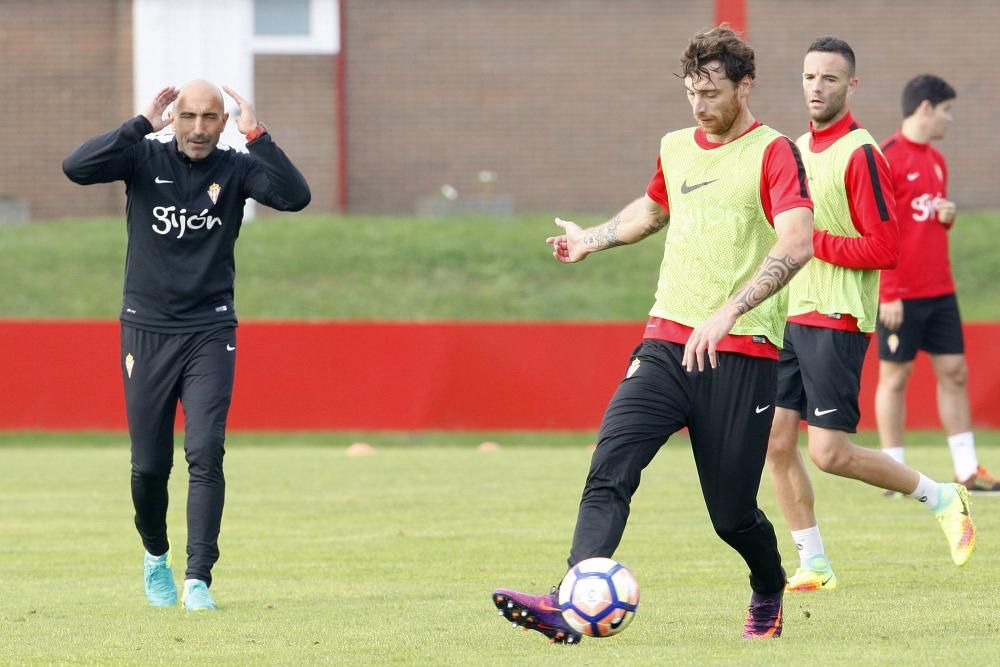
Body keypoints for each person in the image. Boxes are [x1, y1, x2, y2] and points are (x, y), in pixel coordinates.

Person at [492, 26, 815, 642]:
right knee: (609, 466)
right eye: (693, 92)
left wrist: (728, 312)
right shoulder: (675, 146)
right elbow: (653, 210)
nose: (700, 105)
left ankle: (769, 586)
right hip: (665, 345)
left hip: (741, 353)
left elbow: (797, 241)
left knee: (731, 517)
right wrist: (591, 239)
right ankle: (569, 599)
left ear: (745, 86)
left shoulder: (774, 153)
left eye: (713, 92)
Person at [63, 80, 311, 610]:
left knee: (204, 451)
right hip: (146, 329)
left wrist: (257, 135)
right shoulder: (141, 156)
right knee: (150, 466)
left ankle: (199, 579)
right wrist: (138, 124)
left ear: (223, 124)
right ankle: (156, 556)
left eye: (210, 118)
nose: (199, 128)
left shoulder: (237, 168)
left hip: (210, 329)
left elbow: (295, 197)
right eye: (189, 116)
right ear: (174, 118)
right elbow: (76, 168)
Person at [764, 38, 975, 595]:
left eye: (829, 79)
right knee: (776, 442)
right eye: (809, 77)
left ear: (850, 86)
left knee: (829, 453)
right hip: (791, 313)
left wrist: (814, 242)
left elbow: (885, 248)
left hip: (836, 317)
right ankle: (814, 563)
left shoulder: (861, 153)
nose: (816, 87)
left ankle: (943, 496)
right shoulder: (793, 150)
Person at [875, 75, 1000, 493]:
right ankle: (893, 473)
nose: (950, 119)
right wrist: (887, 290)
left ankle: (967, 470)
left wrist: (946, 217)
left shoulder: (937, 160)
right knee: (895, 377)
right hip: (900, 294)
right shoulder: (886, 157)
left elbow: (923, 222)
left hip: (939, 290)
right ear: (925, 108)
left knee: (955, 372)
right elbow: (878, 227)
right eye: (946, 110)